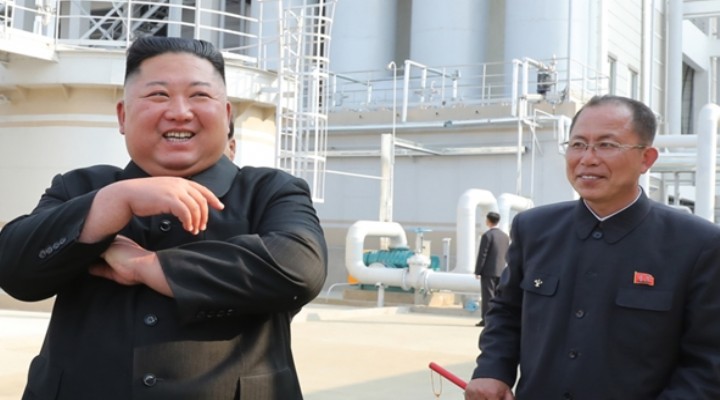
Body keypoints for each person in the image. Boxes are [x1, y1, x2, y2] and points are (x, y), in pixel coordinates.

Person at [0, 36, 327, 400]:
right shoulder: (80, 188)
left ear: (227, 115)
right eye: (158, 95)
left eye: (199, 95)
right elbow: (13, 267)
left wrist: (148, 267)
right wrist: (113, 203)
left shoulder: (270, 190)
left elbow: (300, 266)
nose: (180, 112)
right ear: (123, 116)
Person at [465, 95, 720, 400]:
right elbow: (507, 312)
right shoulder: (534, 228)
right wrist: (492, 369)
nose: (587, 158)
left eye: (606, 145)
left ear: (646, 159)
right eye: (577, 144)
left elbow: (708, 362)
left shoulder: (698, 245)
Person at [473, 211, 509, 327]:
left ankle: (487, 320)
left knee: (488, 296)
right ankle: (498, 319)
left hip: (488, 271)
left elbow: (483, 254)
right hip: (501, 270)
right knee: (499, 297)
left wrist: (478, 270)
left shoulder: (487, 235)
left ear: (488, 221)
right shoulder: (505, 237)